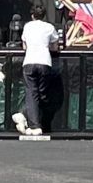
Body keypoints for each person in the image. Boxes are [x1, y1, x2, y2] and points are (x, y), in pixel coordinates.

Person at [14, 8, 60, 136]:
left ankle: (28, 119)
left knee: (32, 93)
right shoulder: (49, 27)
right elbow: (55, 46)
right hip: (44, 62)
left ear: (32, 15)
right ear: (44, 15)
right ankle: (32, 122)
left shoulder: (28, 26)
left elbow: (24, 46)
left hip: (29, 62)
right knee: (41, 94)